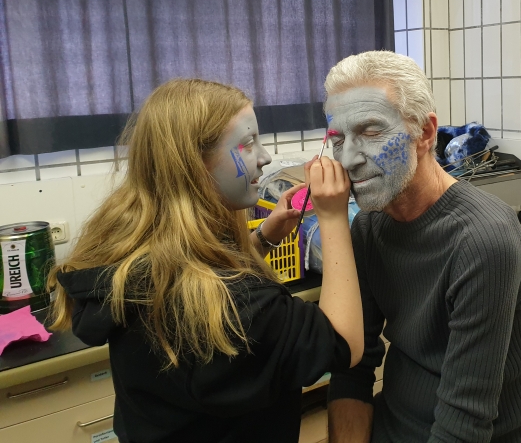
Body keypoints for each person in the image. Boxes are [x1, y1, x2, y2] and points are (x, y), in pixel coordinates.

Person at [49, 79, 363, 443]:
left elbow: (200, 268)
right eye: (247, 144)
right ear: (194, 164)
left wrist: (264, 237)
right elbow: (343, 343)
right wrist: (333, 216)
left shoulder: (130, 263)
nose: (265, 157)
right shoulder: (233, 307)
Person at [323, 51, 521, 442]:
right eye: (338, 139)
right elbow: (353, 367)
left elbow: (466, 421)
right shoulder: (369, 227)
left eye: (371, 131)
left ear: (425, 133)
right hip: (397, 424)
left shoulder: (484, 241)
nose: (349, 159)